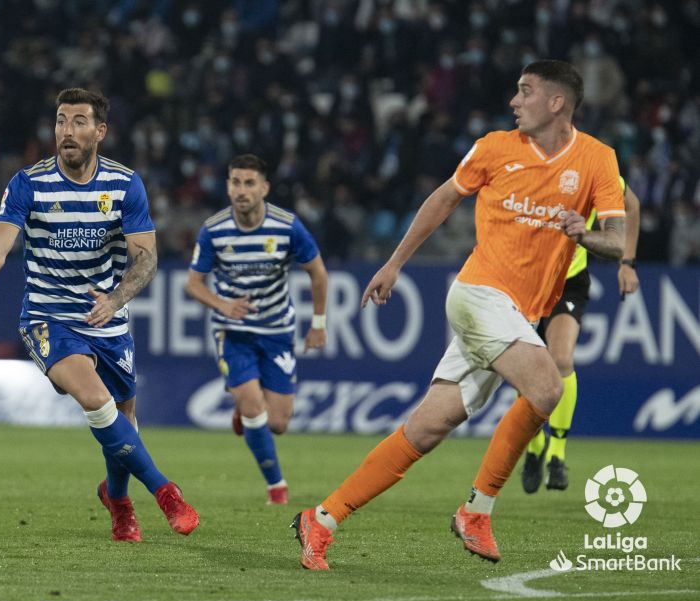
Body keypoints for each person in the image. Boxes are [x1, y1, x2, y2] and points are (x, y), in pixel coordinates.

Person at [291, 60, 626, 570]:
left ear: (557, 102)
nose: (514, 101)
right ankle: (478, 510)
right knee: (547, 387)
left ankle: (322, 518)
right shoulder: (494, 147)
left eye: (526, 91)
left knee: (426, 429)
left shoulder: (598, 159)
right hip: (478, 293)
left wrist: (586, 234)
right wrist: (394, 263)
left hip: (519, 313)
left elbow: (617, 240)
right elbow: (444, 199)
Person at [0, 87, 199, 543]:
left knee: (123, 422)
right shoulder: (29, 183)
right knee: (96, 400)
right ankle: (165, 491)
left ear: (100, 131)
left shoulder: (124, 184)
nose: (66, 131)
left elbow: (145, 258)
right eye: (60, 121)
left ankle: (119, 501)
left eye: (78, 122)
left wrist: (115, 299)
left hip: (106, 318)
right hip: (48, 319)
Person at [184, 154, 328, 505]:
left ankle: (245, 408)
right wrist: (221, 305)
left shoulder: (287, 226)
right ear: (228, 186)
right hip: (232, 332)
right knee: (253, 408)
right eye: (235, 182)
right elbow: (194, 285)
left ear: (264, 188)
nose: (241, 190)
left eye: (249, 183)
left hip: (277, 331)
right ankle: (276, 486)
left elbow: (318, 273)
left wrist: (318, 324)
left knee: (277, 423)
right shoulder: (214, 230)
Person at [522, 180, 640, 493]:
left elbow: (633, 205)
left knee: (561, 359)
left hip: (568, 281)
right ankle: (534, 444)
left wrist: (627, 262)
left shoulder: (594, 165)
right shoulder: (524, 162)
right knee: (524, 369)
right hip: (524, 280)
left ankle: (557, 455)